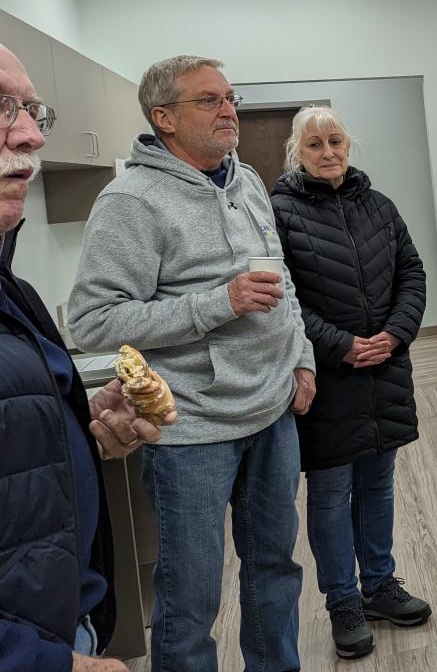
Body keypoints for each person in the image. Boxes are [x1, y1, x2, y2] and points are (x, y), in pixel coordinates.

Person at [68, 55, 318, 672]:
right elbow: (93, 320)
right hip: (193, 431)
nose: (228, 109)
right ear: (164, 118)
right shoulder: (130, 200)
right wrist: (218, 303)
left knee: (276, 571)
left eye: (229, 97)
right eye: (207, 100)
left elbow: (282, 278)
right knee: (190, 597)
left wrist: (304, 360)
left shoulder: (249, 182)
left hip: (272, 411)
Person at [0, 44, 174, 672]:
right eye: (1, 107)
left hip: (68, 622)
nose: (30, 135)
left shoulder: (13, 295)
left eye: (31, 111)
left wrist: (84, 427)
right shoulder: (127, 204)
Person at [269, 105, 431, 659]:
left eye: (335, 140)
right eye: (314, 144)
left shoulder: (379, 207)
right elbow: (285, 299)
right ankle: (342, 600)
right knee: (333, 493)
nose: (328, 151)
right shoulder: (279, 213)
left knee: (379, 483)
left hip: (384, 367)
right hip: (329, 376)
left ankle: (380, 585)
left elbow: (412, 272)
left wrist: (396, 333)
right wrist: (341, 345)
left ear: (349, 145)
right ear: (298, 152)